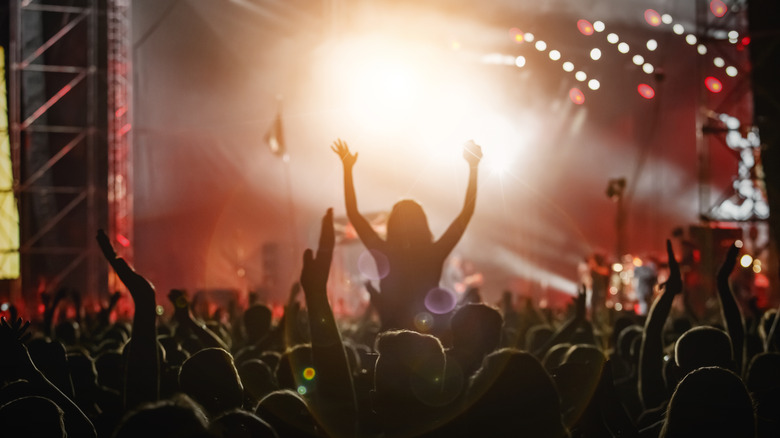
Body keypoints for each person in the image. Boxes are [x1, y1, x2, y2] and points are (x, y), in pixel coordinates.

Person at [332, 139, 482, 332]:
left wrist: (347, 168)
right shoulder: (434, 253)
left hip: (392, 334)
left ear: (392, 224)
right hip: (427, 334)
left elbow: (353, 213)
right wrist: (473, 167)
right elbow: (466, 214)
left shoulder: (384, 251)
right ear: (423, 224)